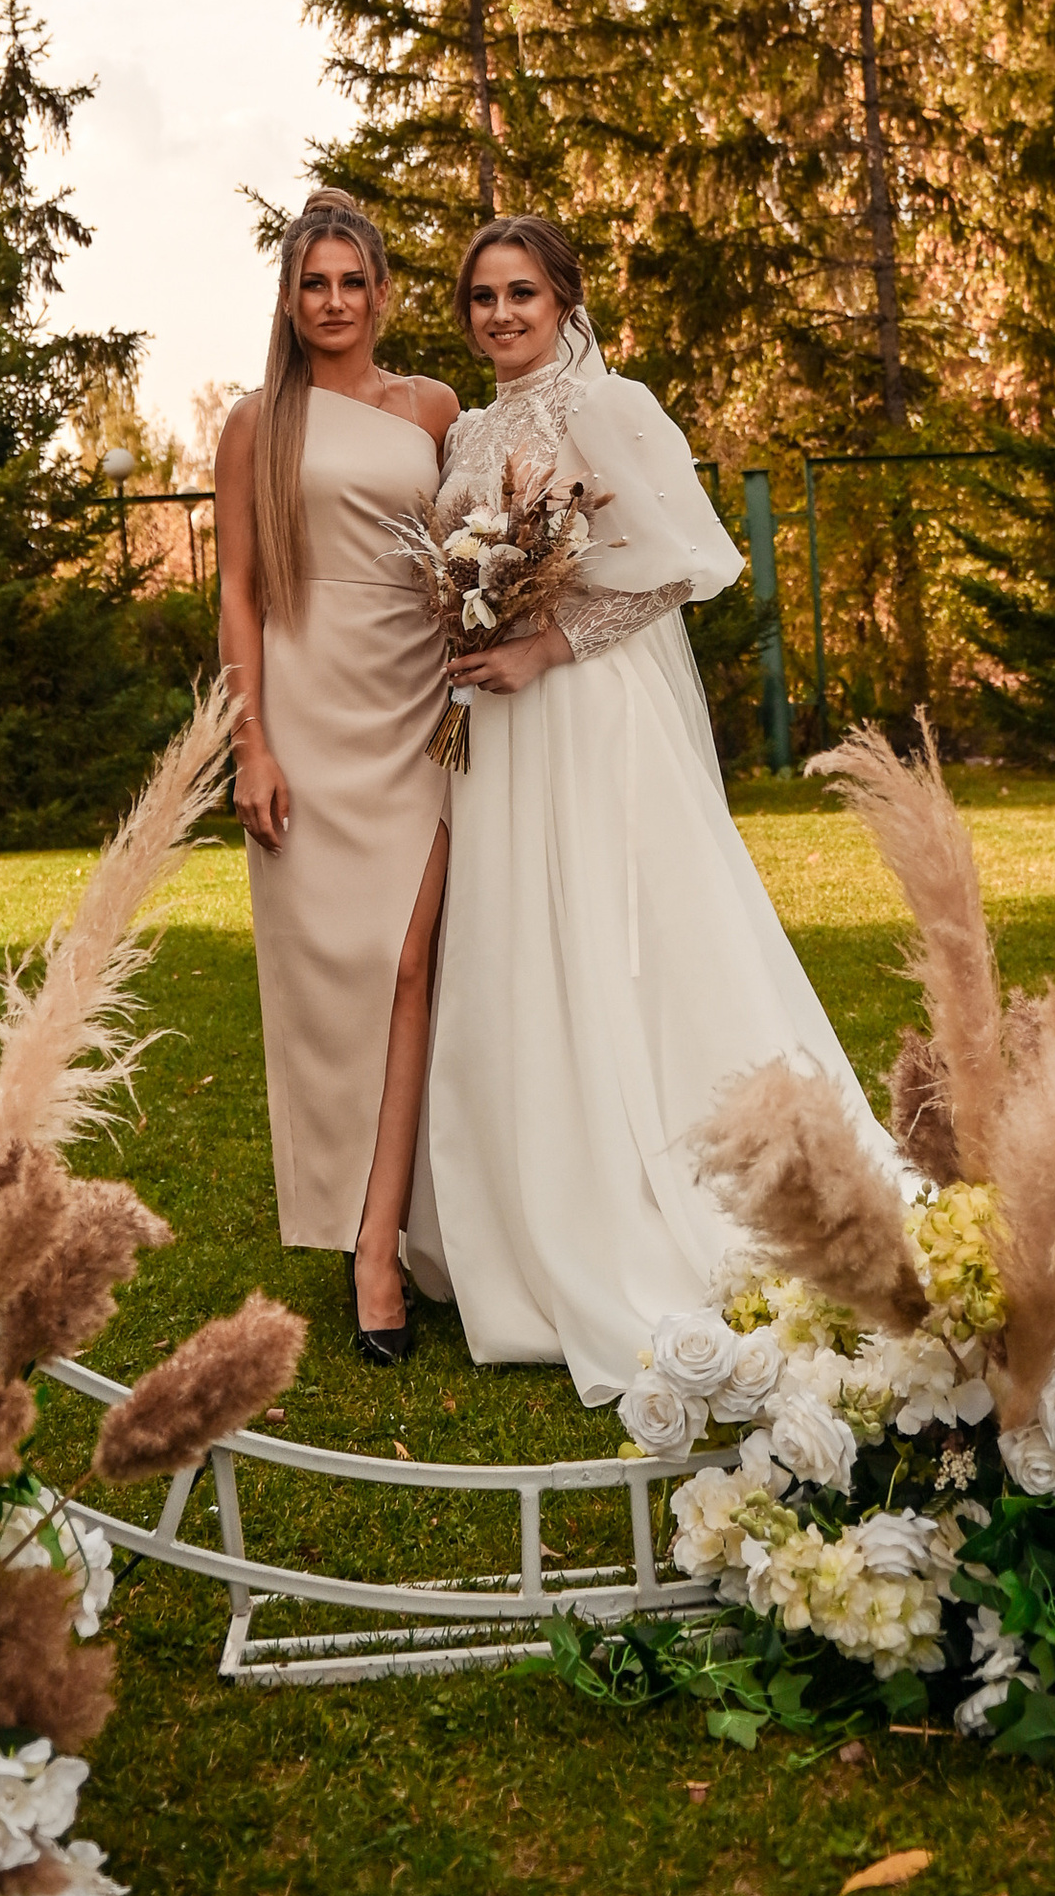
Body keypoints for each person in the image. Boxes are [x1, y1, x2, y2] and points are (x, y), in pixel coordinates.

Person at [405, 214, 885, 1405]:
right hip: (495, 723)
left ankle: (663, 1197)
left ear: (565, 301)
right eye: (482, 297)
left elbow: (684, 561)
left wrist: (546, 642)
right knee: (515, 947)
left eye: (522, 293)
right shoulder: (466, 429)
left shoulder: (609, 405)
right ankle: (520, 1218)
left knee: (619, 942)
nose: (501, 315)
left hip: (583, 711)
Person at [214, 198, 457, 1363]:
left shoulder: (434, 409)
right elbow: (237, 592)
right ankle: (361, 1226)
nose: (333, 301)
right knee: (330, 983)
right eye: (313, 282)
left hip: (420, 707)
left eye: (352, 281)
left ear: (383, 294)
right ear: (289, 297)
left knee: (410, 964)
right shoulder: (255, 421)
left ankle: (382, 1241)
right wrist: (250, 742)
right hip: (306, 712)